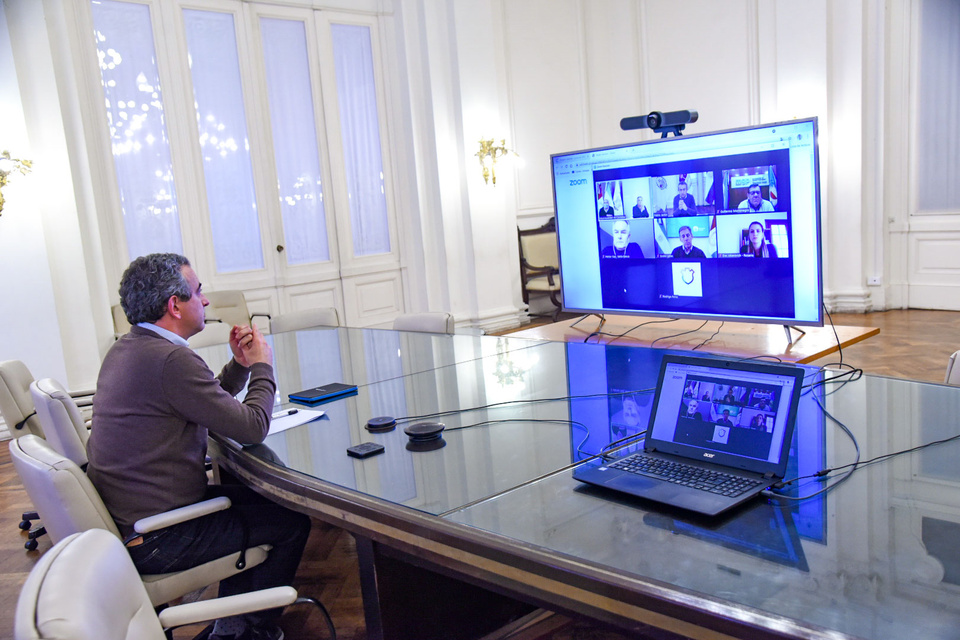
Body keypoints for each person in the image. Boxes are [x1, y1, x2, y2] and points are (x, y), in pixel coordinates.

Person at [86, 253, 310, 640]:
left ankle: (233, 625)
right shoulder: (171, 359)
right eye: (198, 291)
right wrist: (261, 366)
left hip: (136, 522)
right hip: (159, 536)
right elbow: (253, 427)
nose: (205, 301)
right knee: (291, 523)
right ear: (174, 305)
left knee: (267, 503)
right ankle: (250, 633)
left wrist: (238, 366)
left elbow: (200, 403)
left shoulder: (130, 348)